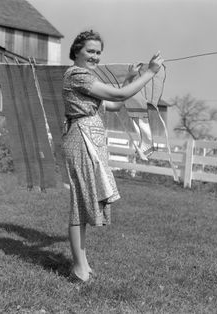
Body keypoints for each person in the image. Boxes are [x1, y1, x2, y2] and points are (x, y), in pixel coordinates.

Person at [62, 30, 164, 283]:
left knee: (86, 204)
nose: (95, 56)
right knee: (80, 203)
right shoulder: (77, 75)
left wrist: (131, 77)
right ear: (76, 51)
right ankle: (78, 267)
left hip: (91, 141)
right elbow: (118, 96)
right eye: (90, 51)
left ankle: (82, 264)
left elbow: (115, 103)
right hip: (81, 140)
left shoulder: (87, 78)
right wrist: (150, 72)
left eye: (98, 52)